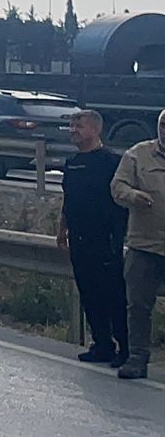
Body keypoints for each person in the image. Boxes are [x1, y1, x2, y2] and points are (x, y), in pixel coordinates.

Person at [58, 111, 126, 364]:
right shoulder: (72, 162)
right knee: (89, 292)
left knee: (114, 294)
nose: (73, 129)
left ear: (96, 130)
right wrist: (62, 229)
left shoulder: (112, 161)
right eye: (71, 125)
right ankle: (102, 344)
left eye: (79, 125)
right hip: (79, 238)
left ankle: (125, 347)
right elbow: (68, 198)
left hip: (106, 240)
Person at [113, 111, 165, 380]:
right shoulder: (138, 154)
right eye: (164, 124)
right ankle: (137, 357)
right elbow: (117, 186)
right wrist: (132, 195)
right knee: (138, 306)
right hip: (144, 245)